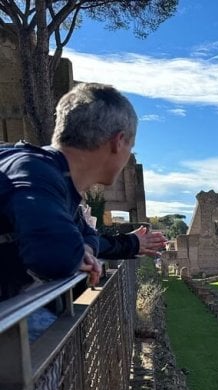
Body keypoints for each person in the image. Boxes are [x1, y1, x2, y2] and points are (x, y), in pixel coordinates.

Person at [0, 83, 139, 337]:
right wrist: (77, 251)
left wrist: (83, 248)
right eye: (131, 147)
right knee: (45, 327)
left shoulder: (54, 179)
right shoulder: (33, 171)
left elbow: (87, 235)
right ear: (118, 142)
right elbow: (54, 256)